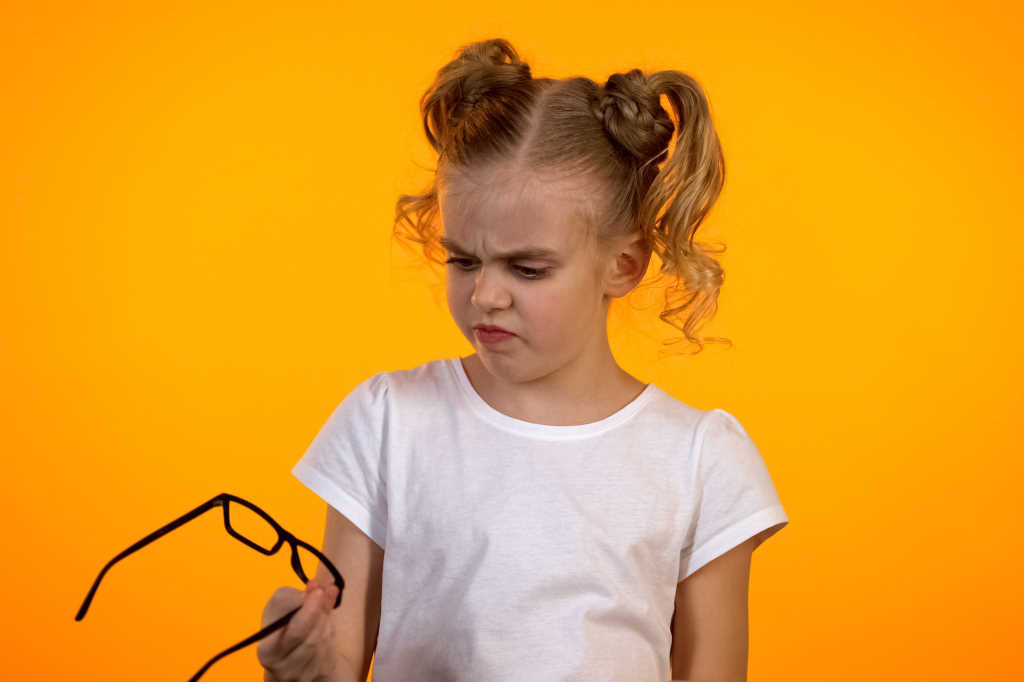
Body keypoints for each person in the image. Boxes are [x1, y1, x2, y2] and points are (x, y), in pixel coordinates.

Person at [257, 37, 789, 682]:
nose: (485, 295)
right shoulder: (388, 422)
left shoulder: (702, 460)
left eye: (528, 268)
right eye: (463, 260)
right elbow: (339, 661)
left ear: (623, 265)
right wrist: (301, 660)